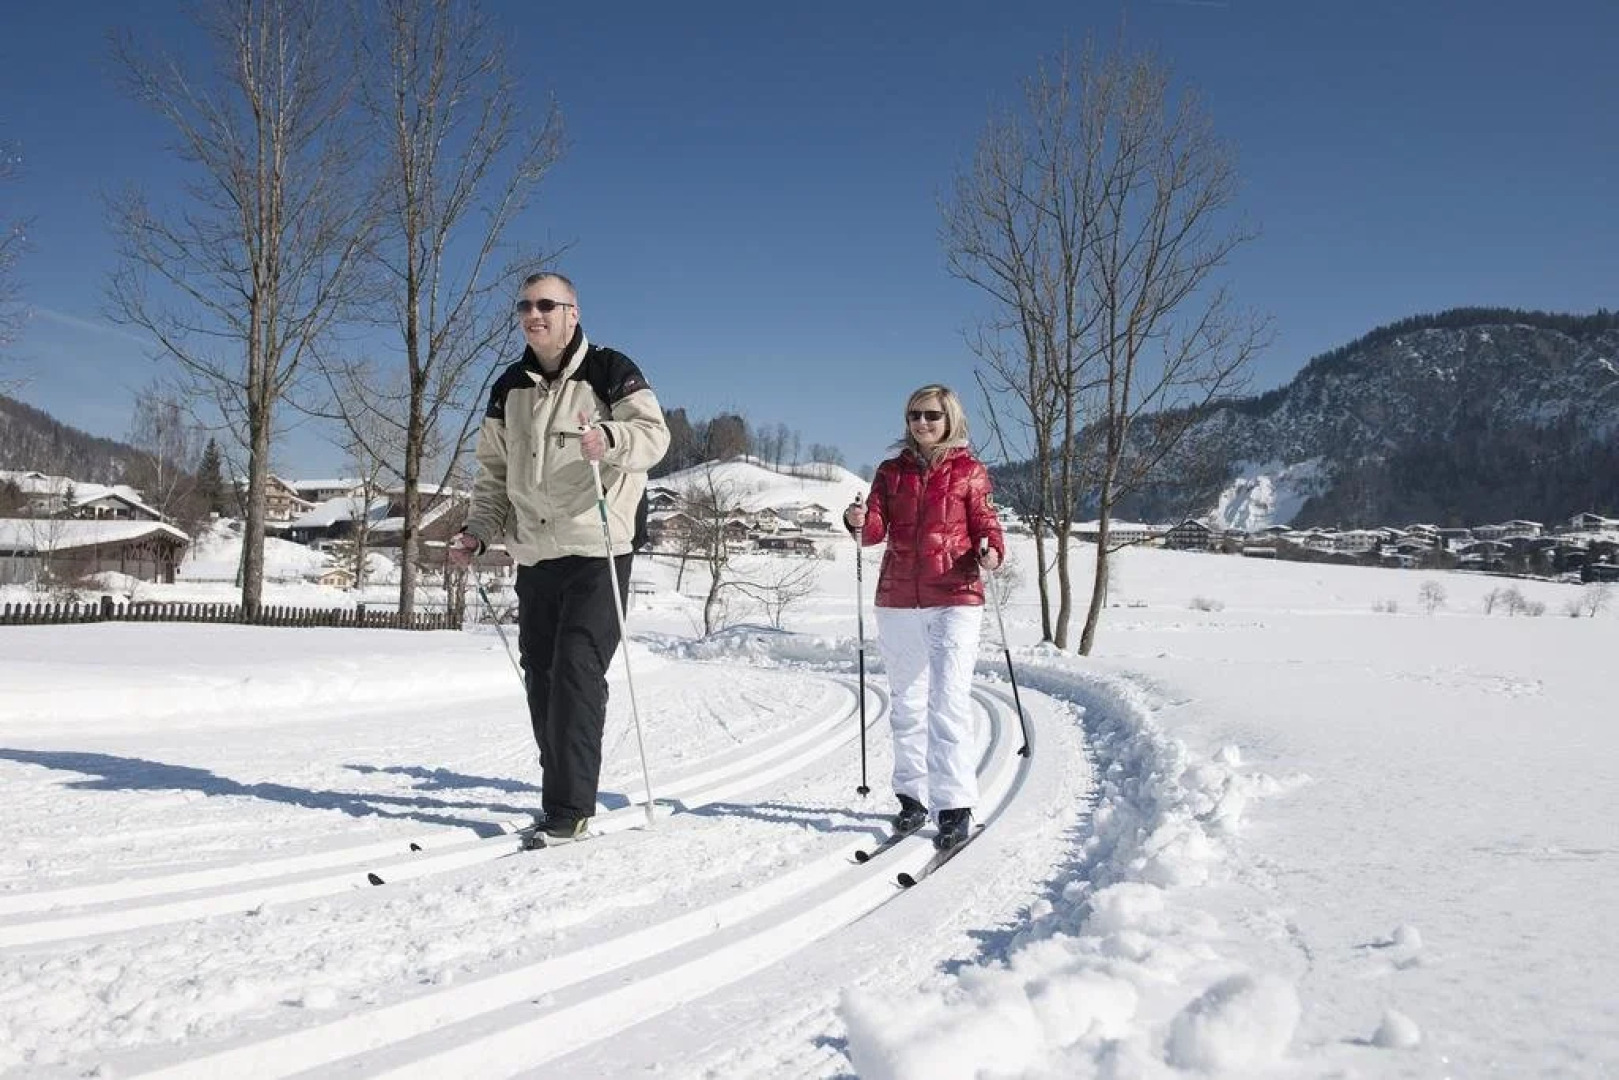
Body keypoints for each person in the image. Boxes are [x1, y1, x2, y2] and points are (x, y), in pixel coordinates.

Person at [449, 271, 669, 847]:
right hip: (536, 554)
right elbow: (493, 474)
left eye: (546, 303)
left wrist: (612, 441)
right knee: (543, 679)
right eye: (524, 305)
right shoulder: (507, 387)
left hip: (599, 549)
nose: (533, 313)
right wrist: (477, 531)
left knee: (576, 668)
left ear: (573, 311)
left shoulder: (609, 369)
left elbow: (653, 435)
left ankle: (569, 809)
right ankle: (563, 788)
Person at [844, 384, 1004, 851]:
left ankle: (954, 805)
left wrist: (991, 551)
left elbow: (987, 524)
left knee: (948, 703)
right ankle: (912, 798)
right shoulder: (890, 472)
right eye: (914, 415)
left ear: (949, 418)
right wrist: (856, 519)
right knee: (907, 705)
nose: (922, 423)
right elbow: (873, 533)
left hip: (956, 594)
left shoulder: (970, 471)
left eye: (932, 415)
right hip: (897, 599)